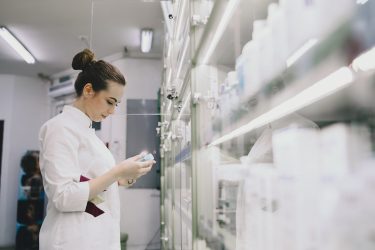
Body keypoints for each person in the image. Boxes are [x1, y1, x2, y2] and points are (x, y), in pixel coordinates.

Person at [38, 49, 155, 250]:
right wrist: (116, 172)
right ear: (89, 90)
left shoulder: (88, 134)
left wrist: (121, 179)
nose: (112, 111)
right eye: (110, 102)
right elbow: (63, 196)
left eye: (116, 104)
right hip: (72, 240)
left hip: (93, 237)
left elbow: (88, 181)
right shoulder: (59, 128)